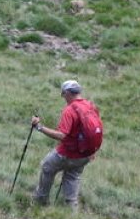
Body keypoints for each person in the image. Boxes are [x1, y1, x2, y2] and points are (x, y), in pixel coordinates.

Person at [31, 80, 102, 208]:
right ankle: (71, 208)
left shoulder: (69, 110)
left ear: (68, 93)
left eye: (63, 94)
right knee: (72, 176)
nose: (63, 97)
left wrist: (39, 127)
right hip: (86, 154)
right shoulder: (90, 106)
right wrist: (92, 151)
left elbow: (61, 135)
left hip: (67, 153)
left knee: (47, 166)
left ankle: (41, 201)